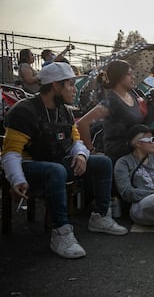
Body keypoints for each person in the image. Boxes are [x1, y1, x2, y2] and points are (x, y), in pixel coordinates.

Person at [2, 62, 128, 259]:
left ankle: (101, 217)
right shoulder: (24, 111)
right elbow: (10, 153)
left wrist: (80, 155)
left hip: (57, 163)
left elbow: (76, 140)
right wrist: (17, 179)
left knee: (102, 162)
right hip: (29, 166)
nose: (74, 89)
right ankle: (60, 231)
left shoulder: (65, 111)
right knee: (56, 171)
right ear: (55, 86)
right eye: (70, 84)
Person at [76, 60, 151, 163]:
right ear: (119, 76)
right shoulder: (111, 101)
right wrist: (91, 150)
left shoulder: (132, 97)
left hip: (136, 147)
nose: (133, 77)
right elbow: (82, 123)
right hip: (120, 152)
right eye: (129, 74)